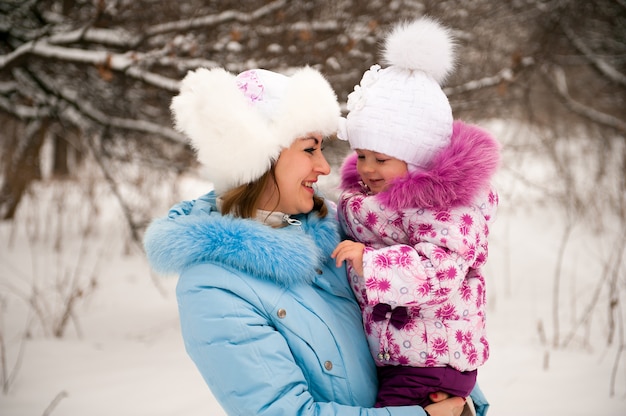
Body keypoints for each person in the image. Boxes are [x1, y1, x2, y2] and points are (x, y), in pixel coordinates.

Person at [143, 63, 489, 415]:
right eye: (310, 149)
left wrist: (459, 397)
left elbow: (418, 315)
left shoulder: (334, 224)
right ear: (259, 157)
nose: (325, 167)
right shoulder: (214, 288)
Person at [331, 18, 500, 410]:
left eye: (382, 158)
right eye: (361, 155)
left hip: (431, 361)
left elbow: (438, 272)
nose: (368, 168)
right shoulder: (374, 203)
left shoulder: (445, 207)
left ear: (418, 159)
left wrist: (371, 262)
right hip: (408, 355)